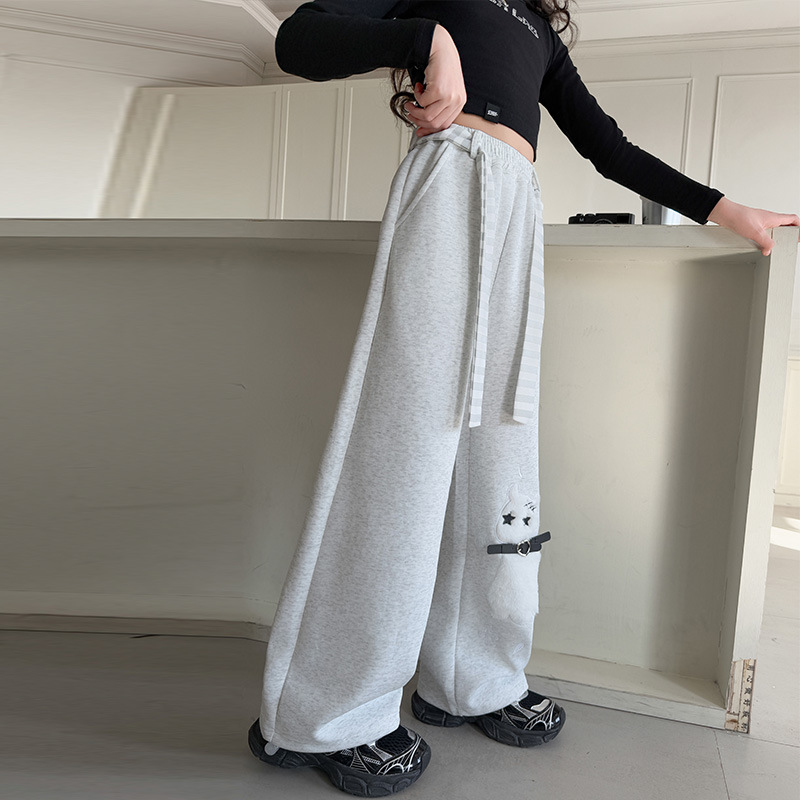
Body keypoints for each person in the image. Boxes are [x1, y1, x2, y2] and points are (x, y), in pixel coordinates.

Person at [247, 2, 800, 796]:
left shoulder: (538, 31)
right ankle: (324, 715)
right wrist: (427, 38)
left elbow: (608, 148)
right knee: (402, 454)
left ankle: (472, 678)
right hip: (448, 183)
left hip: (518, 202)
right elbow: (298, 39)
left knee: (500, 459)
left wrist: (722, 207)